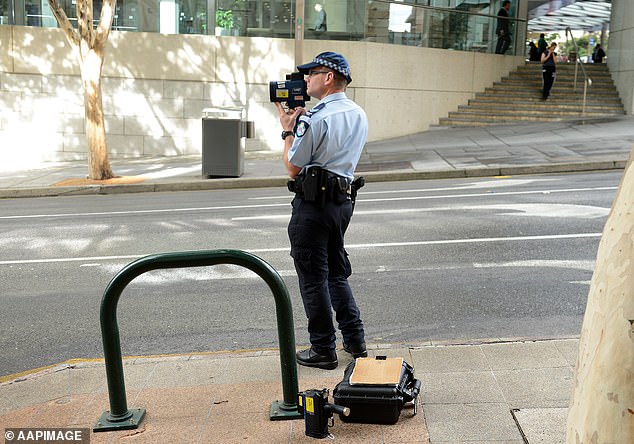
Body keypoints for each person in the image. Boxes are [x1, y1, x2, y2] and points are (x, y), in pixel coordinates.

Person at [274, 51, 368, 370]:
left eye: (312, 73)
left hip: (313, 205)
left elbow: (292, 167)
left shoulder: (317, 117)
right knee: (336, 272)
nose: (306, 80)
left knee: (313, 277)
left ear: (329, 77)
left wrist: (288, 129)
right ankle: (355, 340)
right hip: (342, 203)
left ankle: (323, 348)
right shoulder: (359, 114)